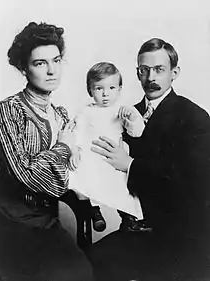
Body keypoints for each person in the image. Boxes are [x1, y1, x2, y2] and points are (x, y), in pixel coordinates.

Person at [88, 38, 210, 280]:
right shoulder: (123, 114)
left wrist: (130, 165)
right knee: (86, 266)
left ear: (174, 73)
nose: (151, 77)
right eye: (144, 70)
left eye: (159, 70)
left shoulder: (195, 117)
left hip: (180, 237)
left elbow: (192, 185)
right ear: (137, 73)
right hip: (135, 230)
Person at [0, 22, 93, 280]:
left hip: (46, 221)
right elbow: (26, 174)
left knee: (81, 272)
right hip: (8, 224)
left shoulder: (61, 115)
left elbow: (72, 170)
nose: (51, 71)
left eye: (56, 60)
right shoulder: (7, 110)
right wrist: (63, 147)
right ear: (24, 68)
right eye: (40, 63)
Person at [69, 62, 144, 231]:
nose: (105, 94)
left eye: (111, 88)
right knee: (85, 174)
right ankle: (94, 212)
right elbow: (77, 133)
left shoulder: (122, 110)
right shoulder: (86, 111)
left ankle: (128, 217)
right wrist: (75, 151)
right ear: (90, 90)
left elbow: (137, 132)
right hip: (92, 152)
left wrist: (133, 118)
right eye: (98, 88)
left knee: (122, 183)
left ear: (119, 89)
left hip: (114, 156)